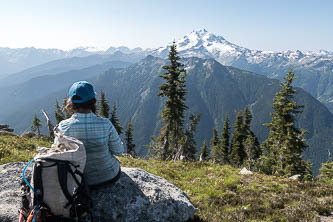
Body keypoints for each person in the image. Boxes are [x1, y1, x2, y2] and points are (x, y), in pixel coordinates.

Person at [57, 81, 124, 189]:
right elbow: (119, 151)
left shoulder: (64, 127)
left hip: (78, 179)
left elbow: (58, 154)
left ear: (71, 102)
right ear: (93, 101)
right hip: (108, 176)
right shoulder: (106, 124)